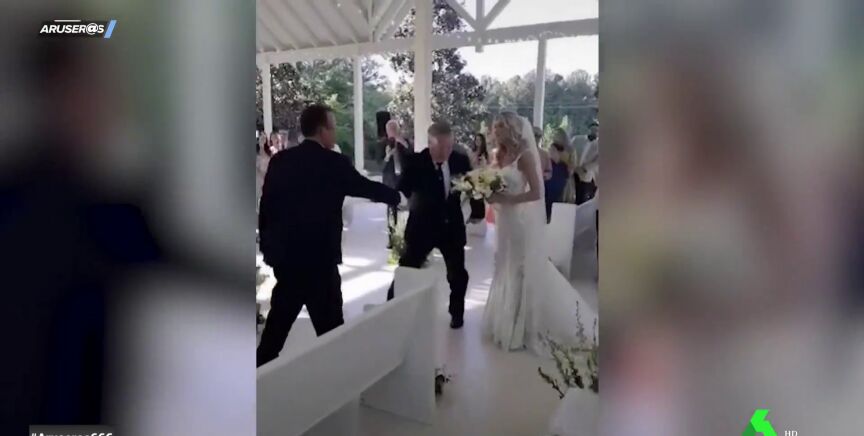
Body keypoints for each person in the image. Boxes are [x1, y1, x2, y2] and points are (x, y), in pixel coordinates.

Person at [257, 104, 400, 366]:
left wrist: (269, 251)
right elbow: (365, 187)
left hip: (288, 264)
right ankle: (338, 383)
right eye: (332, 127)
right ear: (322, 130)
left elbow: (266, 209)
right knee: (333, 337)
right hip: (321, 265)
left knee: (273, 337)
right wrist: (398, 196)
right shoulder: (334, 163)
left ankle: (257, 382)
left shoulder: (280, 161)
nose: (334, 132)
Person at [483, 112, 585, 354]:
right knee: (503, 264)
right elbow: (491, 184)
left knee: (520, 268)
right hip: (503, 221)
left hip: (518, 221)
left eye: (500, 127)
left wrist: (509, 200)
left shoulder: (525, 156)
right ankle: (504, 320)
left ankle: (522, 327)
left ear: (512, 129)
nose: (495, 131)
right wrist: (485, 193)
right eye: (495, 127)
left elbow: (537, 193)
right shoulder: (497, 154)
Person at [386, 121, 472, 329]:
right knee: (408, 267)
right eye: (441, 147)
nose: (445, 152)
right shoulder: (415, 162)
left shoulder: (460, 161)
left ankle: (457, 313)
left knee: (458, 274)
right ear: (430, 143)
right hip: (422, 227)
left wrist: (476, 211)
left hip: (451, 227)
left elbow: (471, 187)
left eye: (449, 146)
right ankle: (389, 308)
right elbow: (401, 190)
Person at [381, 120, 412, 245]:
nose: (392, 132)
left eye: (394, 129)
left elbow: (411, 154)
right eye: (390, 130)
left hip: (403, 179)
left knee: (407, 208)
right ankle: (391, 238)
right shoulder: (384, 143)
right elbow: (380, 164)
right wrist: (388, 155)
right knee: (391, 209)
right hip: (390, 181)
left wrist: (402, 142)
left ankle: (407, 236)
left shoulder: (404, 141)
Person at [545, 128, 572, 221]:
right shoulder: (566, 149)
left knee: (555, 198)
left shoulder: (568, 150)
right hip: (558, 174)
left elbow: (571, 166)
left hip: (560, 174)